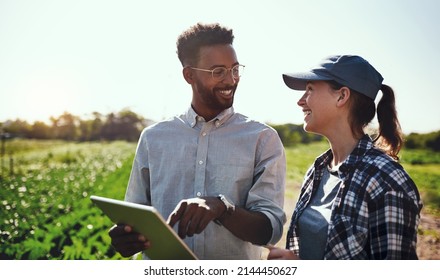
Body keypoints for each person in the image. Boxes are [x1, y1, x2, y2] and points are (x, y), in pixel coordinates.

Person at [108, 22, 286, 260]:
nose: (231, 80)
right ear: (189, 75)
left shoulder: (263, 139)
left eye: (235, 69)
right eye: (218, 72)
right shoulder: (153, 138)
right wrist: (127, 237)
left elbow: (269, 230)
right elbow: (137, 217)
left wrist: (222, 208)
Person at [268, 55, 422, 260]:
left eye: (310, 89)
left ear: (341, 96)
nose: (300, 100)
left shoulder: (387, 181)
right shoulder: (318, 170)